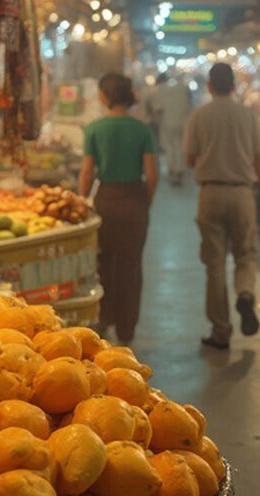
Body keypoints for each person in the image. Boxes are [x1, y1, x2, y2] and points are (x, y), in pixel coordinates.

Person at [183, 63, 260, 349]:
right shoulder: (248, 115)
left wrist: (211, 159)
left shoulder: (199, 115)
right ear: (234, 86)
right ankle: (246, 294)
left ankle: (221, 330)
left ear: (210, 86)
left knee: (214, 264)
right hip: (242, 194)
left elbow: (189, 158)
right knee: (246, 255)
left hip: (210, 193)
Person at [79, 73, 159, 343]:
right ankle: (127, 328)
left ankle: (104, 319)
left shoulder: (94, 129)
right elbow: (152, 173)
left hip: (106, 201)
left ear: (104, 96)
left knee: (103, 263)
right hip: (134, 200)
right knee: (131, 266)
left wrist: (83, 201)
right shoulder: (142, 130)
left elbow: (87, 172)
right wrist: (144, 201)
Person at [150, 73, 192, 185]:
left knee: (169, 148)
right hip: (182, 122)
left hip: (167, 123)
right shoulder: (181, 88)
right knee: (180, 146)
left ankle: (173, 171)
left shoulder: (157, 91)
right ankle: (180, 169)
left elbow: (157, 109)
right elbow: (189, 105)